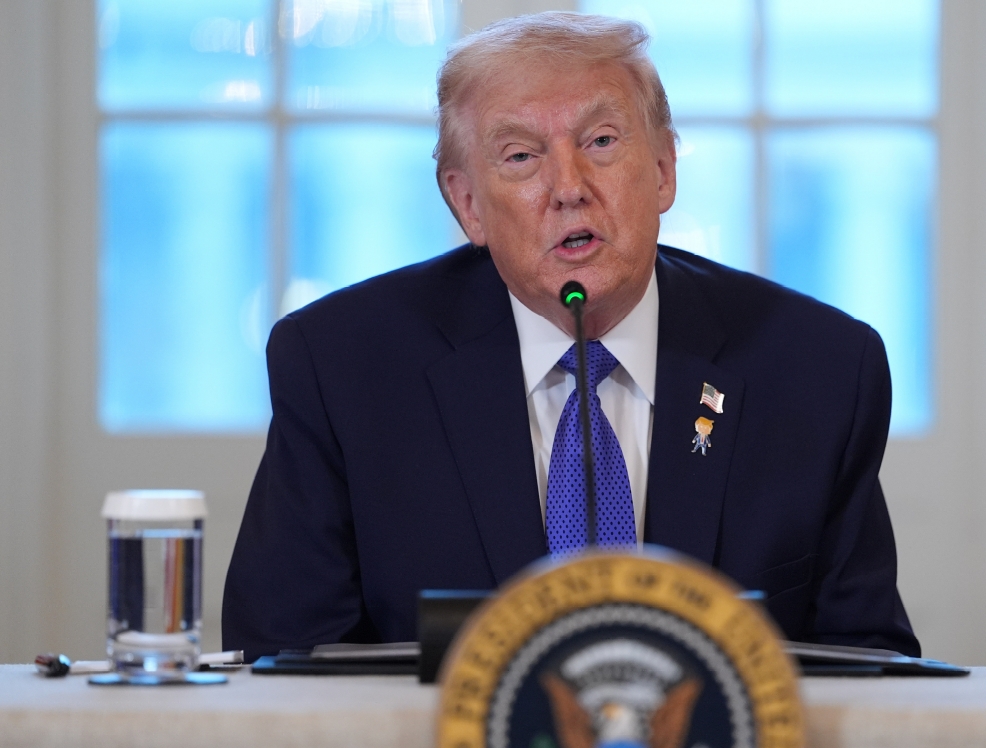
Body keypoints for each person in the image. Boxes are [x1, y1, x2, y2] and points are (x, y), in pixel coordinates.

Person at [223, 12, 919, 662]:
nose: (569, 187)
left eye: (601, 142)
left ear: (663, 170)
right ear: (467, 203)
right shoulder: (344, 367)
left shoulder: (817, 370)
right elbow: (288, 662)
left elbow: (864, 667)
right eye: (522, 156)